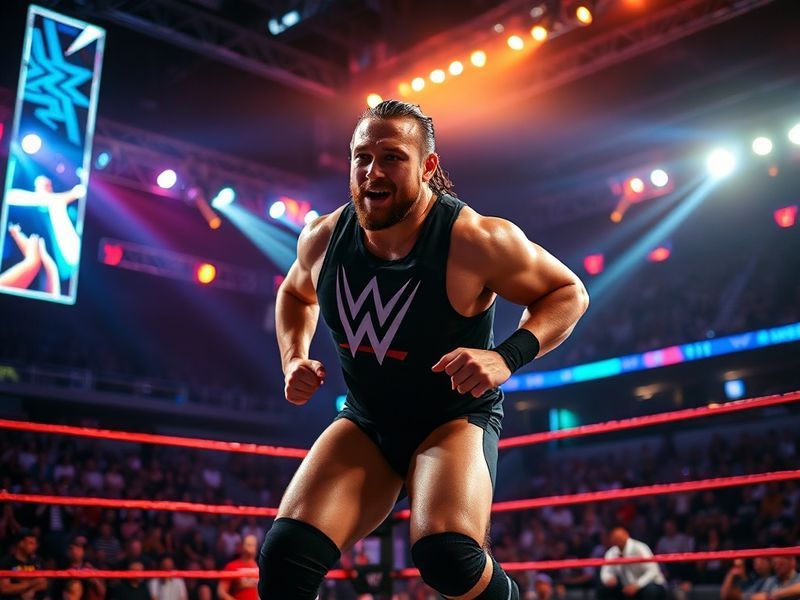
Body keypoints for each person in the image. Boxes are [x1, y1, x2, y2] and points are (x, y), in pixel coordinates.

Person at [258, 100, 589, 599]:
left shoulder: (474, 238)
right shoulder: (323, 237)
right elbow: (295, 292)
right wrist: (292, 359)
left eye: (392, 157)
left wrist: (507, 356)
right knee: (285, 559)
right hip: (368, 420)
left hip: (451, 419)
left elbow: (568, 293)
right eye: (362, 157)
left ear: (428, 166)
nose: (373, 171)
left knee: (447, 557)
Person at [598, 527, 667, 599]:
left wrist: (637, 585)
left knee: (651, 591)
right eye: (615, 538)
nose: (618, 540)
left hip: (650, 584)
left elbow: (653, 571)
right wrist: (608, 579)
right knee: (604, 589)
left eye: (619, 538)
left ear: (626, 536)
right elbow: (605, 572)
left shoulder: (640, 547)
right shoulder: (611, 552)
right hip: (626, 587)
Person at [0, 529, 49, 600]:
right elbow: (5, 588)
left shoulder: (39, 562)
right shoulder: (6, 562)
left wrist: (31, 590)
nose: (34, 546)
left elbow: (43, 583)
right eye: (31, 543)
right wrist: (32, 583)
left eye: (35, 543)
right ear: (21, 544)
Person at [217, 535, 258, 600]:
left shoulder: (261, 568)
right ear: (242, 546)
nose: (251, 547)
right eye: (248, 544)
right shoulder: (232, 566)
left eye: (253, 545)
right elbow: (221, 592)